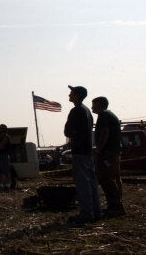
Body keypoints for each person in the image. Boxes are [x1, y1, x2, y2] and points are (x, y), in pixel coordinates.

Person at [64, 85, 101, 224]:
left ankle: (87, 214)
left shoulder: (76, 110)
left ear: (77, 95)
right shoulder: (87, 111)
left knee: (82, 184)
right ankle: (96, 212)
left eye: (71, 93)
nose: (69, 95)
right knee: (91, 182)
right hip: (88, 151)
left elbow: (67, 131)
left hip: (79, 151)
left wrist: (73, 132)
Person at [91, 96, 125, 217]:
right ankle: (115, 205)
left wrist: (99, 150)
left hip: (108, 154)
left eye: (93, 104)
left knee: (106, 177)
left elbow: (105, 132)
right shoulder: (110, 115)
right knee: (113, 177)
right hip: (113, 152)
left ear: (99, 104)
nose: (92, 107)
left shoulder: (103, 115)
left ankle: (116, 206)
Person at [0, 124, 12, 190]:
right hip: (0, 156)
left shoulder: (6, 137)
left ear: (2, 130)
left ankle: (7, 186)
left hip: (4, 156)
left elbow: (0, 147)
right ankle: (0, 186)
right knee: (0, 172)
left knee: (6, 172)